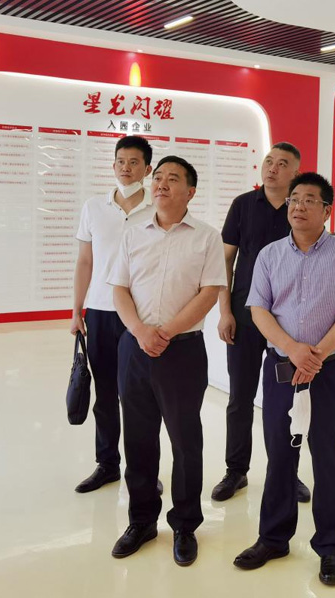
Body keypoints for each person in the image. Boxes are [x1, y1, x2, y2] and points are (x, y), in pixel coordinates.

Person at [232, 173, 335, 587]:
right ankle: (273, 538)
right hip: (282, 367)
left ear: (327, 210)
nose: (298, 205)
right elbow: (258, 309)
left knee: (328, 455)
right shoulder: (270, 255)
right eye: (295, 198)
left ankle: (330, 546)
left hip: (329, 370)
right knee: (280, 452)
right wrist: (292, 348)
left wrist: (317, 354)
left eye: (310, 199)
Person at [106, 156, 226, 565]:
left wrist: (167, 332)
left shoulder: (206, 237)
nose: (161, 184)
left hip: (183, 351)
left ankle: (185, 525)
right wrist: (141, 332)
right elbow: (119, 289)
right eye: (158, 177)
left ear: (190, 192)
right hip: (134, 348)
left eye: (172, 179)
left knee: (185, 440)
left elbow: (209, 293)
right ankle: (141, 521)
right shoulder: (133, 233)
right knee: (138, 438)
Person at [212, 142, 311, 504]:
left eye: (282, 164)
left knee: (285, 401)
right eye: (269, 161)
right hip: (244, 315)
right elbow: (225, 262)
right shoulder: (243, 205)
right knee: (240, 397)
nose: (272, 168)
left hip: (287, 322)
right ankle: (236, 471)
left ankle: (286, 473)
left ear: (295, 173)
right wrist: (225, 311)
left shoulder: (300, 210)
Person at [70, 135, 157, 494]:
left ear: (147, 169)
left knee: (140, 397)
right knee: (105, 394)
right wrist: (77, 310)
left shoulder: (157, 207)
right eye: (120, 161)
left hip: (143, 316)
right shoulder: (94, 206)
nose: (126, 167)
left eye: (134, 162)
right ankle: (107, 464)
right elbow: (85, 261)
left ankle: (144, 470)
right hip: (101, 313)